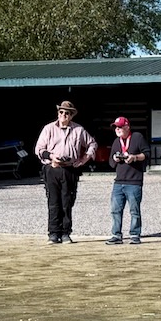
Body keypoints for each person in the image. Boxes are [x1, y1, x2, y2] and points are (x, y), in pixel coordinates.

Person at [34, 100, 98, 244]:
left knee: (67, 202)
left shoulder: (79, 130)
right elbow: (39, 149)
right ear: (58, 113)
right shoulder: (48, 129)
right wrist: (51, 156)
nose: (64, 115)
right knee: (53, 201)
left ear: (72, 115)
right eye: (61, 112)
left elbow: (92, 144)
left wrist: (83, 159)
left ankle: (65, 233)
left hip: (70, 169)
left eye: (67, 113)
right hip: (52, 167)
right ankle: (53, 233)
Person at [106, 116, 148, 245]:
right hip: (118, 182)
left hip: (134, 181)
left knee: (134, 210)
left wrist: (134, 157)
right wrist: (115, 158)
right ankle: (116, 235)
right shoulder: (116, 142)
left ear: (127, 127)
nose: (117, 129)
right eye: (115, 127)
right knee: (115, 210)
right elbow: (111, 163)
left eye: (120, 127)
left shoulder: (137, 137)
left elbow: (147, 154)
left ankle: (135, 235)